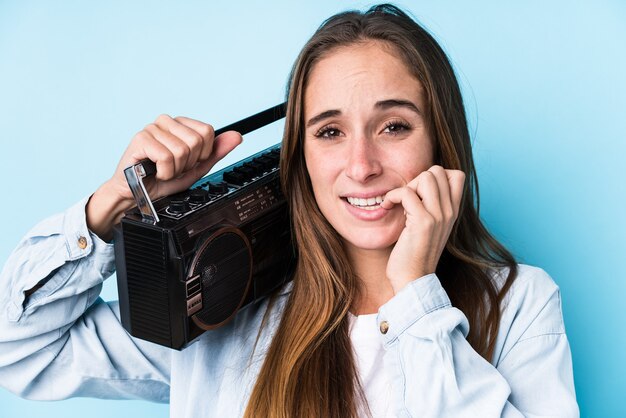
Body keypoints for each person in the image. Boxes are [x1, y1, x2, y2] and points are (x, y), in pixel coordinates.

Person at [0, 4, 578, 417]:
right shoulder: (220, 308)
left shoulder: (520, 305)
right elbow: (20, 352)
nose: (360, 164)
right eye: (329, 131)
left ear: (440, 142)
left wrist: (417, 299)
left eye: (394, 126)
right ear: (300, 156)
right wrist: (116, 201)